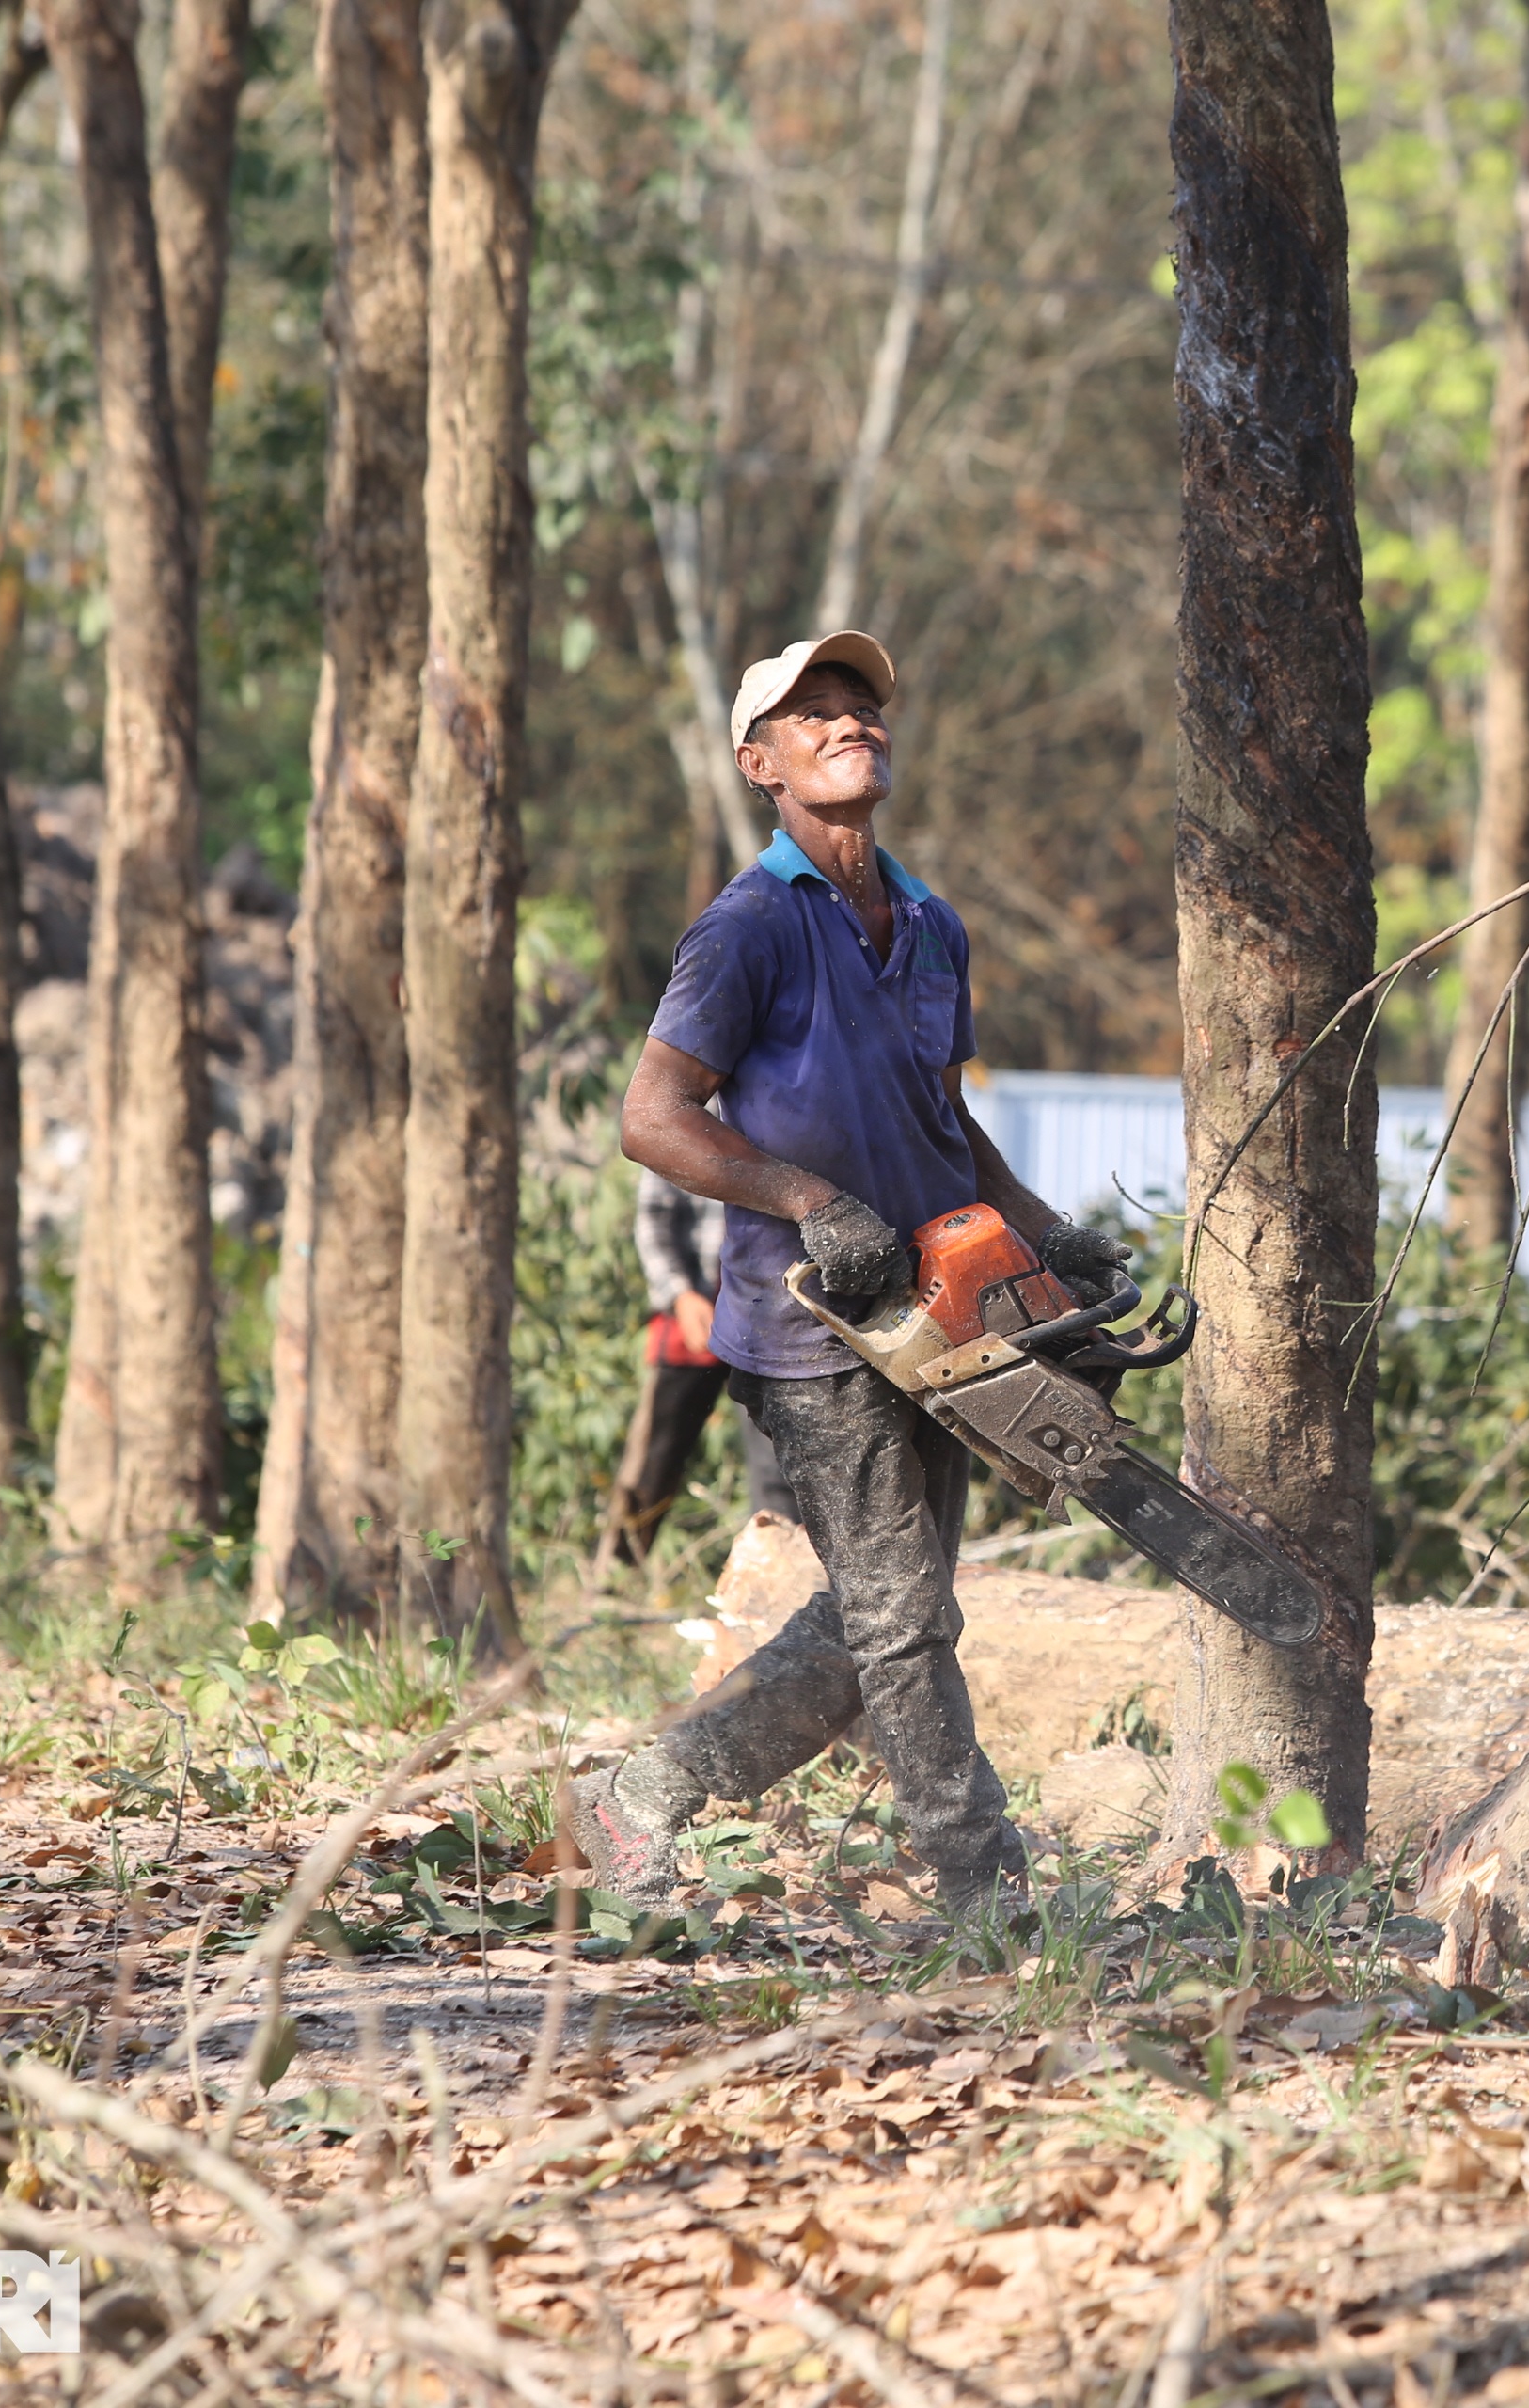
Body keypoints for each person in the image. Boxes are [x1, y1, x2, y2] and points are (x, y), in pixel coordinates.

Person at [574, 630, 1131, 1914]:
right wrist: (805, 1197)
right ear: (759, 762)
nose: (846, 726)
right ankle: (987, 1902)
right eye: (811, 715)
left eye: (861, 709)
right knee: (901, 1619)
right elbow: (652, 1116)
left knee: (886, 1616)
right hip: (814, 1324)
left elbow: (948, 1119)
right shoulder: (748, 927)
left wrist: (1050, 1235)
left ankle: (637, 1794)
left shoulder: (932, 925)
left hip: (944, 1312)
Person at [598, 1159, 800, 1568]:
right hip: (696, 1311)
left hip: (767, 1319)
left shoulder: (783, 1110)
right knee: (655, 1455)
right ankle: (615, 1573)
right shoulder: (685, 1112)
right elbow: (653, 1223)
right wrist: (680, 1294)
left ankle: (784, 1577)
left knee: (777, 1461)